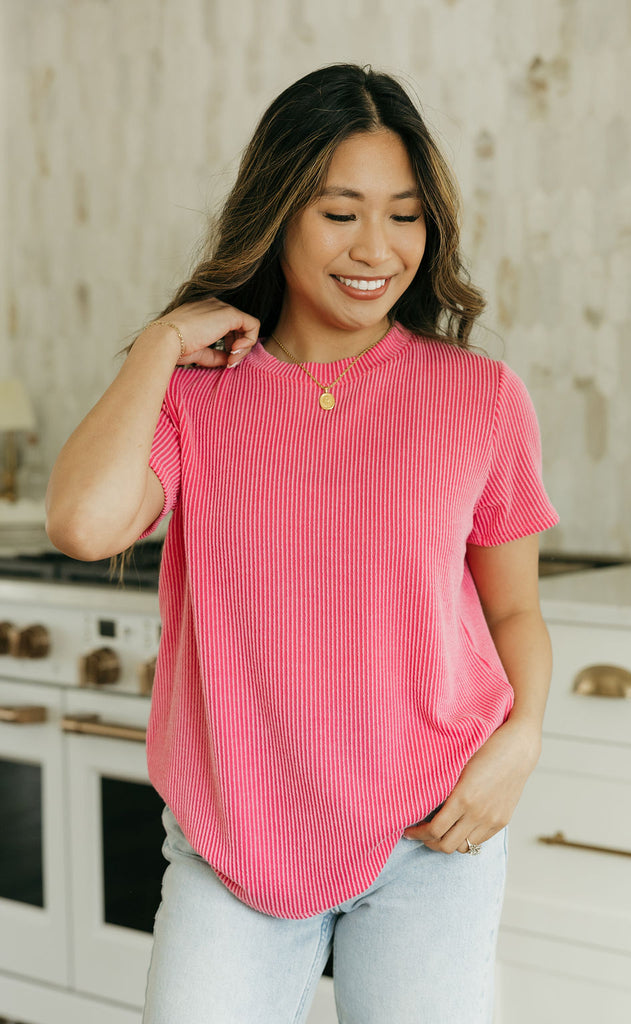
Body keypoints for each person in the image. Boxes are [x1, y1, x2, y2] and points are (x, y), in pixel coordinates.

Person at [46, 63, 559, 1024]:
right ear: (278, 212)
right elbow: (81, 525)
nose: (375, 247)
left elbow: (514, 610)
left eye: (404, 215)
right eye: (339, 213)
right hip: (232, 836)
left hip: (431, 835)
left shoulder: (479, 397)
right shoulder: (194, 393)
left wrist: (521, 740)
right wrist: (158, 345)